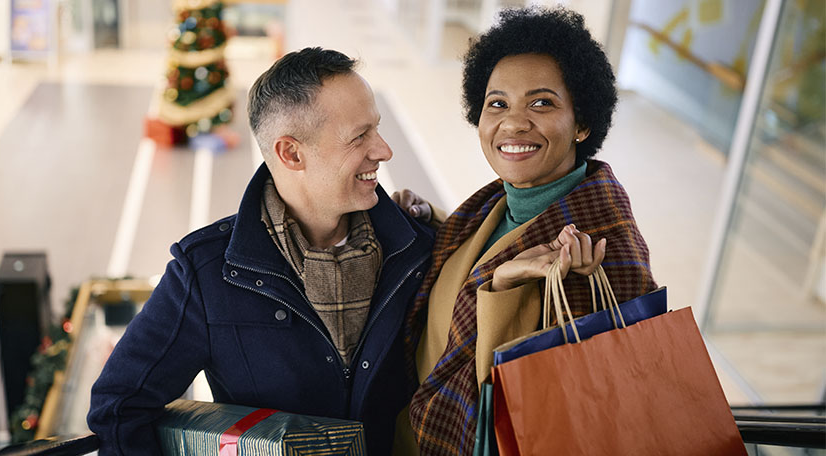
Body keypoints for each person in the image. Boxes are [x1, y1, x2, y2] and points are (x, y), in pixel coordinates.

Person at [87, 47, 435, 456]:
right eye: (359, 136)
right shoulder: (206, 274)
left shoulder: (416, 250)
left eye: (375, 129)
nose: (383, 150)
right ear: (291, 153)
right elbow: (119, 407)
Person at [396, 7, 658, 455]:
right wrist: (436, 221)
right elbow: (489, 253)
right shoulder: (492, 207)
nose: (513, 122)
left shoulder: (593, 247)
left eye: (542, 102)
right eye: (497, 103)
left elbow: (528, 411)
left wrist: (502, 286)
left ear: (582, 123)